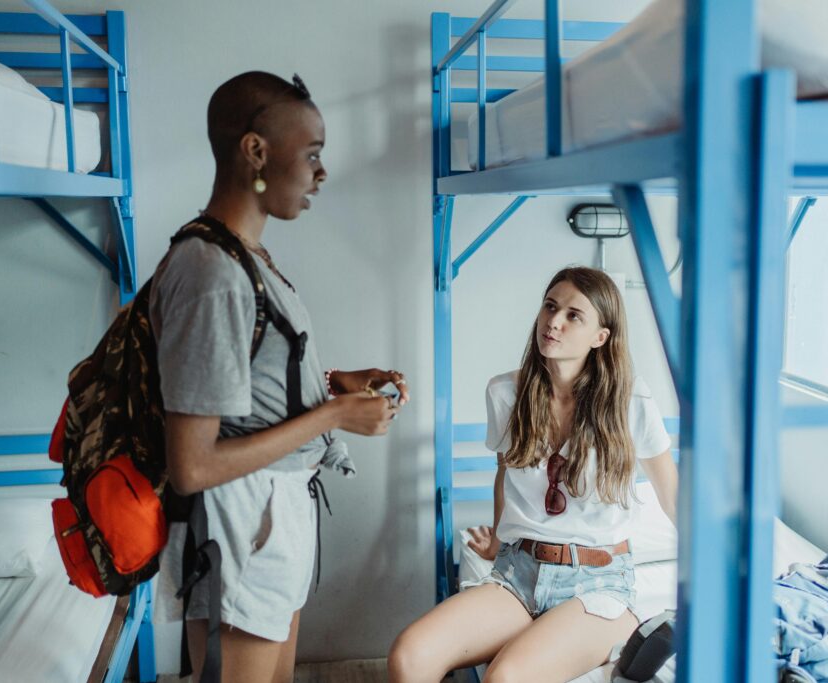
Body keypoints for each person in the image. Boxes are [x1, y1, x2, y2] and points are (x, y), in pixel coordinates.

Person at [149, 71, 409, 683]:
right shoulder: (212, 274)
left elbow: (243, 381)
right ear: (256, 151)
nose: (322, 172)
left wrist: (332, 383)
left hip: (272, 512)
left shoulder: (245, 257)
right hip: (236, 525)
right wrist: (333, 416)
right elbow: (192, 465)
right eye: (312, 153)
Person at [388, 266, 678, 683]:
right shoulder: (505, 393)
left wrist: (718, 570)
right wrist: (499, 540)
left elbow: (672, 496)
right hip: (518, 573)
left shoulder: (631, 400)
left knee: (505, 678)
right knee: (409, 655)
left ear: (601, 337)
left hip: (599, 584)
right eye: (550, 307)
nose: (554, 321)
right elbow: (505, 473)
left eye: (574, 315)